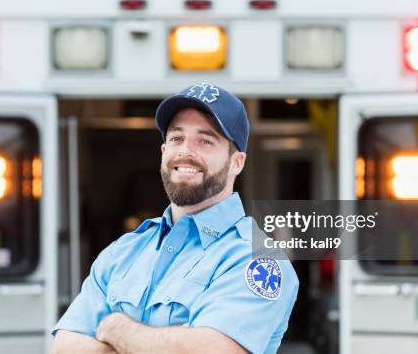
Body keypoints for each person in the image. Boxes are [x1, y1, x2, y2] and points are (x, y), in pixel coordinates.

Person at [50, 83, 299, 354]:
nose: (185, 151)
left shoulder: (257, 260)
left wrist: (117, 328)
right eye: (176, 138)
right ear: (163, 152)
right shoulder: (123, 251)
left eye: (205, 140)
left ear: (236, 162)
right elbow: (64, 347)